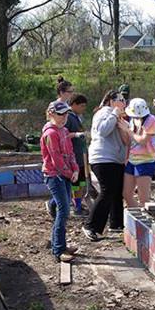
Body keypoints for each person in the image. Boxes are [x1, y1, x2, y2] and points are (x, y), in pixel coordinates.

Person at [83, 91, 130, 241]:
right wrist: (115, 112)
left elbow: (126, 138)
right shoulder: (104, 112)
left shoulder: (118, 116)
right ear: (110, 101)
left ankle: (116, 225)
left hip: (116, 159)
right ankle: (91, 226)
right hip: (103, 158)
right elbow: (103, 131)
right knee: (107, 190)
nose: (123, 103)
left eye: (124, 100)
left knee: (117, 192)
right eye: (120, 100)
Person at [41, 101, 80, 262]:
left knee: (61, 206)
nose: (64, 117)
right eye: (60, 114)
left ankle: (51, 205)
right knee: (64, 211)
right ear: (51, 114)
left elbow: (70, 152)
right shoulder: (50, 133)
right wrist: (70, 173)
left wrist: (76, 169)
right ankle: (58, 250)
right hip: (53, 175)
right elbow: (56, 158)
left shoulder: (64, 130)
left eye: (66, 114)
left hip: (65, 174)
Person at [46, 77, 88, 218]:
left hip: (71, 151)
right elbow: (57, 133)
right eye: (69, 91)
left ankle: (66, 204)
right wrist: (76, 135)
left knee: (71, 185)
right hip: (59, 155)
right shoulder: (55, 108)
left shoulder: (69, 111)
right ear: (62, 92)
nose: (71, 94)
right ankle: (60, 206)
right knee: (66, 186)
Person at [123, 98, 155, 208]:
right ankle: (134, 218)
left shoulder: (151, 120)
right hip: (132, 160)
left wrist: (129, 132)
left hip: (146, 160)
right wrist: (126, 157)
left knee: (143, 198)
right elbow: (128, 141)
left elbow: (143, 141)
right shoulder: (132, 120)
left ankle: (144, 221)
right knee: (127, 194)